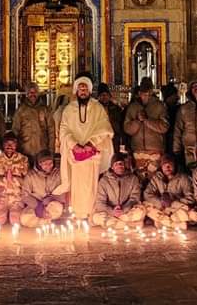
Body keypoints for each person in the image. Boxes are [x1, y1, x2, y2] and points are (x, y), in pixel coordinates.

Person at [58, 75, 115, 217]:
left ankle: (90, 213)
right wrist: (74, 144)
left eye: (85, 89)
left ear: (89, 91)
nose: (83, 91)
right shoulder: (68, 109)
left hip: (91, 154)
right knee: (76, 185)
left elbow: (104, 128)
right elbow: (64, 130)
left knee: (90, 186)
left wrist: (91, 143)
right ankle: (77, 213)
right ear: (76, 91)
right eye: (80, 89)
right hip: (75, 154)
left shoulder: (98, 108)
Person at [123, 80, 170, 183]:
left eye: (147, 91)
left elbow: (164, 127)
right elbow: (127, 129)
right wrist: (138, 121)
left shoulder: (159, 106)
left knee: (155, 181)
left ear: (151, 91)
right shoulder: (133, 107)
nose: (145, 95)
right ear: (139, 92)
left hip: (155, 151)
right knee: (139, 181)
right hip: (138, 151)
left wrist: (147, 120)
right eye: (142, 92)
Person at [92, 153, 146, 229]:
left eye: (121, 163)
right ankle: (129, 224)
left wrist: (123, 209)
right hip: (110, 212)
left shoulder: (133, 179)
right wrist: (112, 211)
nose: (120, 166)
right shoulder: (104, 180)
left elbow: (135, 198)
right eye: (116, 164)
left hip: (126, 211)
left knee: (141, 211)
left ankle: (115, 224)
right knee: (96, 217)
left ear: (124, 165)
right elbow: (100, 202)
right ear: (112, 167)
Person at [142, 155, 195, 230]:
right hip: (162, 208)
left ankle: (164, 222)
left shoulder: (183, 178)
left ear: (174, 165)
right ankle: (177, 224)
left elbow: (191, 197)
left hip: (176, 208)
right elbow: (147, 194)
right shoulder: (157, 178)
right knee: (145, 206)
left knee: (190, 212)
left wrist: (173, 202)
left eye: (170, 164)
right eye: (164, 165)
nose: (167, 167)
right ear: (161, 167)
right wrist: (160, 202)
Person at [0, 132, 29, 225]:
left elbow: (27, 181)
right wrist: (3, 180)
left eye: (12, 143)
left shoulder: (23, 159)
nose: (9, 146)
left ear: (16, 145)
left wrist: (14, 179)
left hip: (16, 198)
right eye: (7, 143)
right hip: (1, 196)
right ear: (3, 144)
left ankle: (12, 213)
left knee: (15, 221)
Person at [20, 151, 66, 228]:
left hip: (52, 204)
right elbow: (25, 195)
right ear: (39, 164)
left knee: (57, 209)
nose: (48, 166)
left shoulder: (58, 174)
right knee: (24, 219)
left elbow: (63, 190)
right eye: (45, 164)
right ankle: (46, 222)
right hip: (36, 205)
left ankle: (42, 221)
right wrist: (39, 208)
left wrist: (51, 198)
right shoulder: (31, 176)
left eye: (50, 163)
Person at [12, 83, 56, 161]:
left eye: (34, 92)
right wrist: (16, 151)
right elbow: (15, 131)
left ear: (38, 93)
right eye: (30, 92)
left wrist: (51, 150)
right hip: (25, 150)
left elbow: (51, 131)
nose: (32, 94)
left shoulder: (45, 109)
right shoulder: (21, 110)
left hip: (42, 150)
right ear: (26, 94)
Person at [97, 83, 126, 154]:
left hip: (114, 141)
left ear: (109, 96)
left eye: (106, 95)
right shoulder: (94, 109)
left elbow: (121, 127)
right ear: (99, 97)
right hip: (99, 141)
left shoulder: (116, 109)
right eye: (102, 95)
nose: (104, 97)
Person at [161, 83, 181, 154]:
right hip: (168, 141)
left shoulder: (178, 109)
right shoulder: (164, 110)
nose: (178, 97)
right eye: (175, 95)